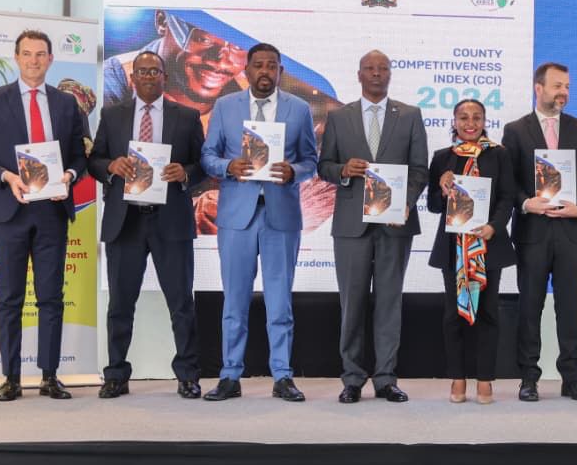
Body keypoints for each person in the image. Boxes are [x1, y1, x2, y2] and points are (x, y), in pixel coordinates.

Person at [0, 29, 88, 402]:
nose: (34, 60)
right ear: (16, 57)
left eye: (40, 54)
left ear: (51, 59)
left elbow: (79, 156)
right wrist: (7, 177)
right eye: (27, 54)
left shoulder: (66, 104)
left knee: (51, 297)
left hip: (52, 211)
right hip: (10, 210)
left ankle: (49, 376)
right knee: (9, 297)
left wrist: (70, 175)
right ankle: (11, 378)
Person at [199, 43, 318, 402]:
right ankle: (229, 375)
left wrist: (294, 171)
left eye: (272, 66)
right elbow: (207, 156)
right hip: (237, 215)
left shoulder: (299, 109)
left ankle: (282, 375)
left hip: (281, 215)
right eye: (258, 65)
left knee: (279, 301)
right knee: (234, 300)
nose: (265, 71)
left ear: (280, 71)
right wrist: (227, 166)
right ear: (246, 70)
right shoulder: (225, 106)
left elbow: (311, 161)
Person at [88, 50, 206, 400]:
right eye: (142, 71)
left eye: (155, 71)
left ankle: (187, 375)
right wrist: (111, 167)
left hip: (171, 221)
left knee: (181, 304)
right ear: (133, 77)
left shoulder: (187, 116)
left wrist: (186, 172)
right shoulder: (112, 116)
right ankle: (116, 374)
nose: (149, 76)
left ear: (164, 76)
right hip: (125, 222)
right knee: (120, 305)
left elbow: (203, 165)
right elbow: (94, 160)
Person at [318, 50, 428, 403]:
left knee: (389, 303)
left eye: (383, 68)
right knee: (351, 304)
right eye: (370, 68)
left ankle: (385, 379)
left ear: (390, 74)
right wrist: (342, 170)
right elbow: (324, 166)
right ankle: (351, 378)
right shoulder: (339, 117)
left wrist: (406, 201)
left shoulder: (410, 115)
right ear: (359, 74)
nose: (377, 73)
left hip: (395, 223)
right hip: (351, 225)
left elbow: (420, 169)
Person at [502, 62, 577, 402]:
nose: (564, 92)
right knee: (530, 307)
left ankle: (572, 379)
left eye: (568, 87)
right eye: (558, 86)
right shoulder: (516, 130)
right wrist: (524, 203)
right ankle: (528, 378)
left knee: (568, 308)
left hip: (571, 232)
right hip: (532, 232)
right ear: (539, 88)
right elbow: (508, 182)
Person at [427, 99, 517, 405]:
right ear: (453, 122)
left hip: (488, 245)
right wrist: (442, 189)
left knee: (488, 313)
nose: (470, 123)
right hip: (453, 248)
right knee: (453, 315)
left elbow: (507, 198)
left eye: (476, 117)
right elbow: (433, 205)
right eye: (463, 117)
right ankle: (458, 377)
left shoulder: (499, 154)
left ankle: (485, 378)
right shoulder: (442, 157)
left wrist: (494, 226)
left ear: (484, 121)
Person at [103, 11, 246, 114]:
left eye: (238, 47)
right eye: (203, 39)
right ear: (162, 21)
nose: (221, 63)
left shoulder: (248, 87)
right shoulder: (113, 81)